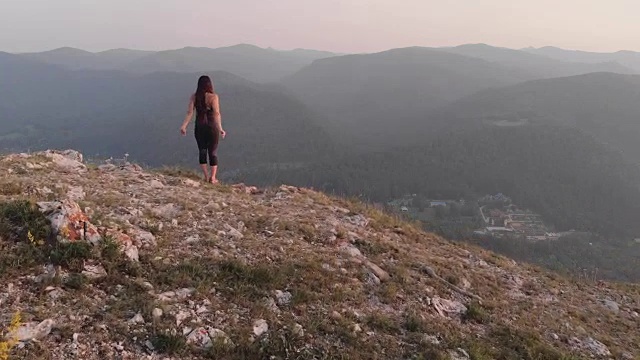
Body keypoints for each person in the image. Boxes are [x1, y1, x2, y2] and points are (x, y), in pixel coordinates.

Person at [180, 75, 226, 183]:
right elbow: (216, 113)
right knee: (213, 152)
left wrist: (184, 126)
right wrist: (220, 128)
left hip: (199, 127)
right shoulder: (213, 97)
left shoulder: (194, 97)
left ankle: (206, 176)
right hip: (211, 126)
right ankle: (213, 178)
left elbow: (190, 112)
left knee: (202, 151)